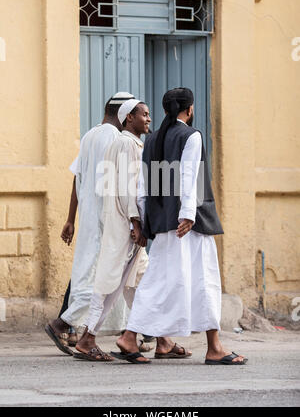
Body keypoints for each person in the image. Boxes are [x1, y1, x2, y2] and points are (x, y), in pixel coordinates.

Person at [117, 87, 248, 365]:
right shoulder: (192, 135)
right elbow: (190, 177)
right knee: (204, 281)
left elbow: (142, 185)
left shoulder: (151, 140)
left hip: (163, 226)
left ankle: (142, 339)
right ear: (188, 110)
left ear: (166, 111)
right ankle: (213, 347)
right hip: (189, 225)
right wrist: (188, 214)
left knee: (162, 282)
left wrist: (142, 221)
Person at [74, 99, 192, 362]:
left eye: (150, 115)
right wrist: (135, 223)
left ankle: (163, 340)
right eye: (144, 115)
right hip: (126, 228)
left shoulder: (127, 142)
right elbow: (129, 187)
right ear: (129, 118)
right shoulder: (127, 143)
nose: (149, 119)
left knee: (139, 283)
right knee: (109, 284)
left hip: (125, 225)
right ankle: (87, 339)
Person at [45, 92, 135, 355]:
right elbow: (117, 184)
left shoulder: (90, 135)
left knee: (96, 276)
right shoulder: (116, 139)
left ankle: (140, 332)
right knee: (99, 280)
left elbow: (77, 178)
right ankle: (63, 323)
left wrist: (70, 219)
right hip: (105, 222)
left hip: (88, 220)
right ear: (123, 115)